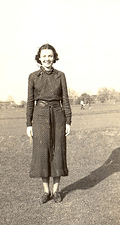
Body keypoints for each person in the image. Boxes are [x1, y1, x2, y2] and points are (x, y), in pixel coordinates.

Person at [26, 44, 72, 204]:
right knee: (42, 153)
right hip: (40, 117)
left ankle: (56, 191)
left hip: (58, 116)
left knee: (57, 152)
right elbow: (30, 102)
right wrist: (28, 124)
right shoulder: (33, 77)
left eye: (50, 56)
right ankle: (46, 192)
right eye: (44, 56)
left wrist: (68, 121)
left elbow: (65, 99)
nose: (47, 59)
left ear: (54, 57)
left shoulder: (61, 76)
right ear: (39, 58)